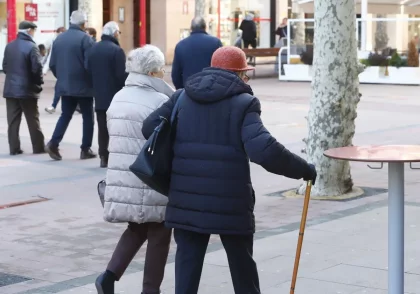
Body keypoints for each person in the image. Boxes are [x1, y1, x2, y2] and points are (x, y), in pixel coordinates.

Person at [142, 46, 317, 294]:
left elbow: (149, 128)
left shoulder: (181, 96)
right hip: (230, 202)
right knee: (242, 267)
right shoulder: (244, 103)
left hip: (186, 198)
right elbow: (264, 150)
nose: (246, 79)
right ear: (237, 74)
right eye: (245, 74)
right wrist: (304, 169)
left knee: (186, 269)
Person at [95, 45, 174, 294]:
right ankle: (150, 290)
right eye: (161, 70)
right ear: (152, 72)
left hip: (124, 176)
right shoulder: (160, 100)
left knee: (137, 227)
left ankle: (108, 277)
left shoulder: (118, 97)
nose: (163, 74)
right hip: (151, 177)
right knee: (160, 231)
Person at [45, 10, 96, 161]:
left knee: (65, 115)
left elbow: (53, 64)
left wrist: (62, 77)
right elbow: (90, 64)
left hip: (65, 84)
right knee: (88, 117)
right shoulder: (86, 39)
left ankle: (54, 143)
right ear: (83, 23)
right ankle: (85, 149)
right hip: (84, 85)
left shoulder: (59, 39)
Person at [88, 21, 127, 168]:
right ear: (115, 33)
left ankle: (103, 156)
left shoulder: (93, 49)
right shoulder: (116, 51)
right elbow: (120, 76)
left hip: (99, 96)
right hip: (114, 97)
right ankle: (114, 155)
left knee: (102, 128)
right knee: (115, 128)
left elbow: (88, 69)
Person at [2, 21, 45, 155]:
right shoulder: (32, 47)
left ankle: (14, 148)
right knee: (32, 120)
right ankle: (38, 148)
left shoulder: (9, 46)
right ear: (29, 31)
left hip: (11, 90)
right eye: (34, 30)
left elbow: (5, 67)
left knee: (13, 122)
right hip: (27, 90)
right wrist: (38, 83)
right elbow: (36, 68)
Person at [171, 16, 222, 90]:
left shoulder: (180, 45)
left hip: (188, 91)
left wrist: (182, 90)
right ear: (205, 27)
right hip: (211, 91)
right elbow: (222, 69)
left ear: (191, 28)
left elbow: (175, 75)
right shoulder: (215, 43)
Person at [44, 27, 66, 114]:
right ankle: (53, 106)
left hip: (64, 70)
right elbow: (50, 58)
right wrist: (45, 70)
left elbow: (51, 59)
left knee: (60, 88)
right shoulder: (56, 42)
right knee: (59, 88)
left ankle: (54, 106)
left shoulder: (58, 42)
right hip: (63, 70)